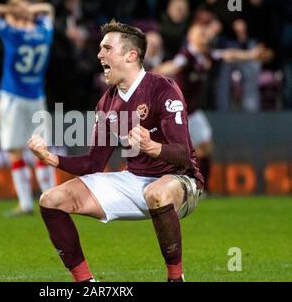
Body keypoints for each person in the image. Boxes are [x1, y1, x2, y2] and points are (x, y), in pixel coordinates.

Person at [27, 21, 204, 282]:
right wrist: (52, 158)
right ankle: (86, 283)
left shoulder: (163, 89)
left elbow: (183, 154)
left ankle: (175, 278)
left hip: (179, 181)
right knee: (50, 200)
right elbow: (93, 164)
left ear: (130, 55)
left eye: (107, 49)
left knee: (155, 192)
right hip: (134, 180)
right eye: (100, 49)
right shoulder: (108, 102)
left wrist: (153, 147)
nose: (99, 55)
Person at [153, 22, 272, 191]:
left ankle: (202, 189)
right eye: (200, 34)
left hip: (192, 111)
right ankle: (179, 187)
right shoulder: (186, 56)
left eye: (205, 34)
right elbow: (173, 65)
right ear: (190, 38)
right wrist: (155, 73)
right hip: (176, 113)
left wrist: (252, 55)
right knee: (178, 154)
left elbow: (229, 55)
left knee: (206, 148)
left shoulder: (207, 55)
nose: (204, 37)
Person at [0, 0, 55, 216]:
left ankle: (25, 204)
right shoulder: (44, 31)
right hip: (37, 97)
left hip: (13, 97)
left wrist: (11, 10)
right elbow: (49, 8)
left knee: (15, 151)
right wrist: (27, 9)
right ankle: (51, 201)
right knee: (41, 150)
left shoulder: (12, 33)